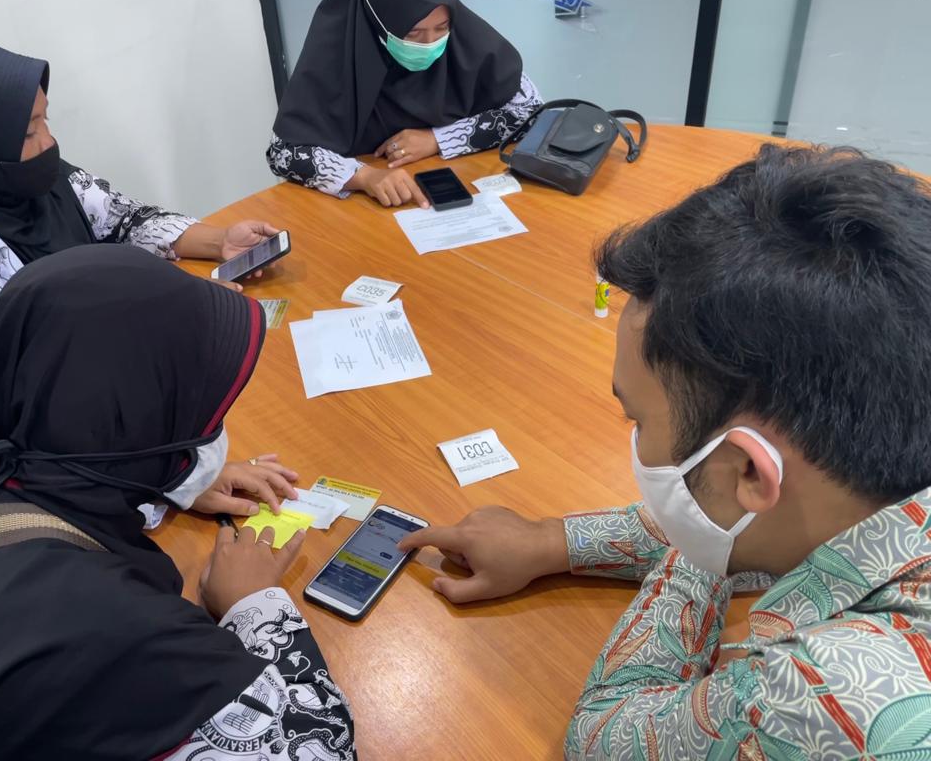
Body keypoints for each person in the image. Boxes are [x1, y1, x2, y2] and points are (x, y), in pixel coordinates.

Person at [399, 145, 931, 759]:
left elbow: (606, 737)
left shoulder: (829, 702)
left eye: (637, 418)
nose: (635, 437)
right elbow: (758, 513)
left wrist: (701, 544)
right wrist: (552, 541)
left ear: (750, 471)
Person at [0, 245, 356, 760]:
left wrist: (165, 481)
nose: (210, 428)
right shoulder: (104, 629)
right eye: (196, 412)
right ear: (129, 419)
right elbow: (319, 745)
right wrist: (253, 604)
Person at [0, 37, 284, 462]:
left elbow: (122, 218)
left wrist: (220, 241)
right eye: (28, 131)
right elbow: (37, 363)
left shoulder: (15, 174)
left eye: (44, 120)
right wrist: (182, 474)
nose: (48, 142)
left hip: (93, 379)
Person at [266, 0, 542, 208]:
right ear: (378, 22)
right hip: (360, 211)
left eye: (442, 28)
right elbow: (283, 152)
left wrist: (438, 139)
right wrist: (363, 176)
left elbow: (531, 111)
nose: (429, 43)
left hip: (449, 192)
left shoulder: (468, 42)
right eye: (413, 34)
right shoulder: (337, 56)